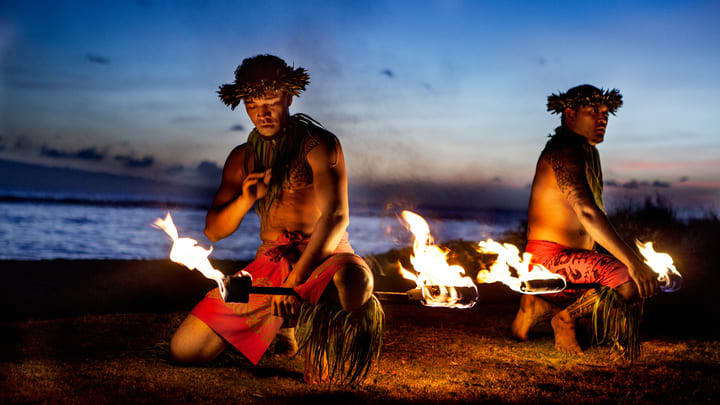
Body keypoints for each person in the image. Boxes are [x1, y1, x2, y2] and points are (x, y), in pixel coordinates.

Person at [168, 54, 383, 384]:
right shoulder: (242, 157)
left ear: (289, 97)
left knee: (356, 284)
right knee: (185, 351)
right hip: (269, 266)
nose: (262, 113)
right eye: (253, 104)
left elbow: (337, 216)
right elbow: (214, 230)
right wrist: (245, 199)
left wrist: (294, 283)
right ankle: (282, 327)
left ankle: (311, 326)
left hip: (326, 259)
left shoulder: (319, 145)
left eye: (270, 102)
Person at [511, 84, 659, 360]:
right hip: (550, 259)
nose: (602, 118)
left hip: (577, 260)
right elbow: (587, 212)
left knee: (628, 272)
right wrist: (633, 263)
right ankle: (564, 319)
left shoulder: (587, 152)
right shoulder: (564, 150)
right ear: (569, 113)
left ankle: (537, 304)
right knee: (629, 279)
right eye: (593, 111)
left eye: (605, 113)